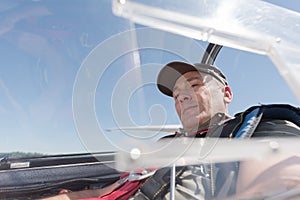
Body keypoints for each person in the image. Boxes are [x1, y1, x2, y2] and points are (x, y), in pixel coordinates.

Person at [44, 61, 300, 200]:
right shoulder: (164, 145)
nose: (182, 98)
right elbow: (106, 192)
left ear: (227, 93)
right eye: (176, 95)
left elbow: (283, 185)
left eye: (193, 85)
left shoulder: (260, 125)